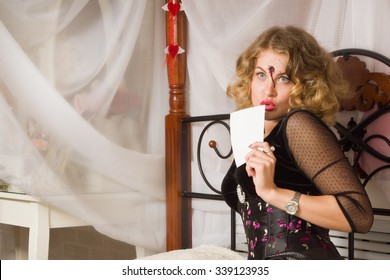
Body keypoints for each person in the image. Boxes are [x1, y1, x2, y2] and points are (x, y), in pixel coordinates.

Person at [221, 25, 374, 260]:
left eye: (283, 78)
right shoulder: (251, 129)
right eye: (261, 74)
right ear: (249, 78)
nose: (268, 90)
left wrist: (272, 192)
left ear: (306, 85)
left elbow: (360, 215)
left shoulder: (298, 124)